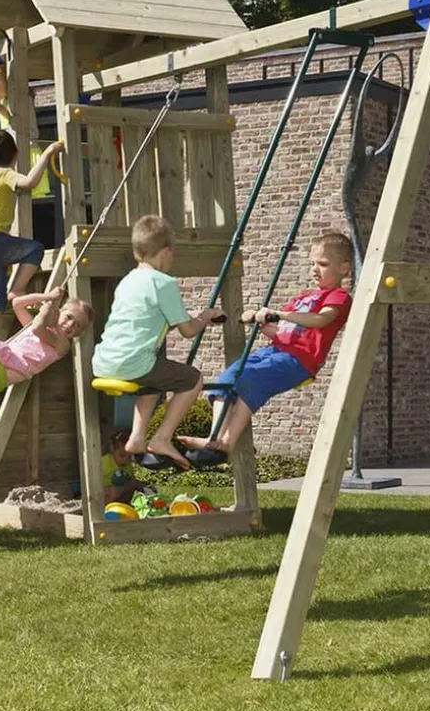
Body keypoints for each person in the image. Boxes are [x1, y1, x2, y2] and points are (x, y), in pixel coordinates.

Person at [179, 230, 353, 466]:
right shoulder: (303, 298)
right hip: (273, 352)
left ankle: (228, 443)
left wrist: (280, 313)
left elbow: (320, 320)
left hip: (299, 360)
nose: (315, 269)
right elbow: (281, 331)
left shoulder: (339, 296)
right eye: (312, 263)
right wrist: (261, 322)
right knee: (229, 377)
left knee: (251, 379)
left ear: (344, 268)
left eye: (323, 264)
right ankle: (214, 437)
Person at [91, 215, 223, 472]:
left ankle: (137, 439)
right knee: (192, 378)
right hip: (133, 363)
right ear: (166, 253)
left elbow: (147, 321)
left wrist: (186, 317)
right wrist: (205, 317)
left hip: (105, 361)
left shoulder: (128, 280)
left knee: (154, 378)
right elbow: (188, 331)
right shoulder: (164, 283)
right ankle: (162, 439)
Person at [0, 129, 67, 335]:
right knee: (34, 249)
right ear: (16, 154)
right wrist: (47, 153)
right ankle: (18, 290)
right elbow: (29, 183)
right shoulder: (5, 174)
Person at [101, 429, 144, 504]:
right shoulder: (103, 462)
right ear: (112, 449)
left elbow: (130, 479)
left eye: (129, 457)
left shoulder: (129, 465)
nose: (125, 460)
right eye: (122, 455)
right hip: (105, 495)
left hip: (122, 494)